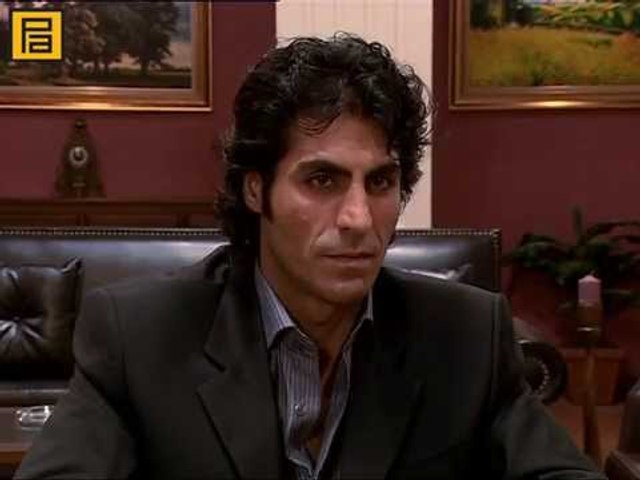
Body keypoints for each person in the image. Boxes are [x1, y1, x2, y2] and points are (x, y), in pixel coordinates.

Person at [16, 34, 605, 480]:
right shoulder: (139, 337)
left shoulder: (467, 335)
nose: (358, 218)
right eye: (322, 180)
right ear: (256, 190)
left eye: (381, 182)